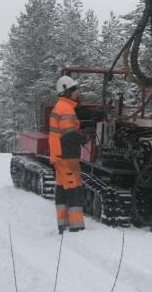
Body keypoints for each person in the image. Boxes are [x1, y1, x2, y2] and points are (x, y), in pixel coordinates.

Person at [49, 75, 87, 234]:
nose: (78, 92)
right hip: (66, 156)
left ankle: (63, 223)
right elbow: (69, 134)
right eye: (75, 89)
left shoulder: (61, 106)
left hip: (60, 155)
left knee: (62, 188)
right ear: (67, 91)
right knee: (73, 188)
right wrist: (85, 137)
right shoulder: (65, 108)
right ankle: (76, 226)